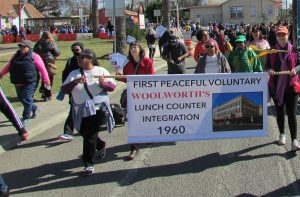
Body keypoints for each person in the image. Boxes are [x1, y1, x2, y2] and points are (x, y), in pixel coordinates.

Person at [61, 48, 116, 176]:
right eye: (78, 58)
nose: (78, 60)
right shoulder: (74, 73)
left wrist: (103, 83)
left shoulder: (101, 71)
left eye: (82, 58)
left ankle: (88, 163)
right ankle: (101, 145)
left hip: (97, 109)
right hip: (80, 109)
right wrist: (75, 82)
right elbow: (64, 89)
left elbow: (112, 87)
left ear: (90, 59)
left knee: (90, 136)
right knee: (84, 133)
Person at [115, 41, 154, 160]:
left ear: (140, 49)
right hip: (132, 95)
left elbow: (152, 78)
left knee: (146, 117)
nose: (133, 49)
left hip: (145, 94)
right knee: (133, 121)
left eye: (135, 47)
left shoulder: (147, 61)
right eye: (131, 47)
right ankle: (134, 148)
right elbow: (127, 79)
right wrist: (117, 74)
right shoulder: (127, 64)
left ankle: (149, 135)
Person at [266, 26, 300, 151]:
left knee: (291, 114)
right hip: (276, 87)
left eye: (283, 34)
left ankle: (294, 141)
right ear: (276, 37)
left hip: (292, 86)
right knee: (280, 112)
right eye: (279, 35)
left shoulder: (294, 49)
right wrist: (269, 70)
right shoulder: (272, 51)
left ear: (288, 35)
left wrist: (295, 70)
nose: (281, 37)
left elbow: (299, 64)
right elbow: (267, 66)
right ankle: (282, 134)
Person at [0, 40, 50, 125]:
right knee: (21, 99)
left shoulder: (34, 56)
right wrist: (1, 73)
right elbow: (9, 66)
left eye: (23, 46)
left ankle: (26, 117)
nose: (21, 48)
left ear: (29, 47)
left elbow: (42, 68)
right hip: (18, 81)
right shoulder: (16, 55)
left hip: (30, 81)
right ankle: (34, 108)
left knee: (27, 98)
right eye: (20, 46)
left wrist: (46, 79)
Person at [59, 42, 84, 141]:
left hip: (88, 89)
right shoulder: (70, 61)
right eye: (73, 50)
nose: (75, 52)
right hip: (74, 90)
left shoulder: (88, 59)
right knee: (73, 109)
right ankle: (68, 132)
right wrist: (66, 86)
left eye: (77, 49)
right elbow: (65, 75)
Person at [34, 31, 61, 102]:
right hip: (49, 62)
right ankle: (47, 94)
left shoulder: (38, 43)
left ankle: (43, 91)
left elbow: (34, 52)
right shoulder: (50, 42)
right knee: (49, 79)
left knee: (44, 77)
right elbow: (57, 52)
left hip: (39, 62)